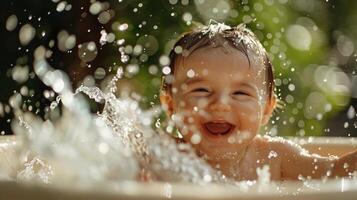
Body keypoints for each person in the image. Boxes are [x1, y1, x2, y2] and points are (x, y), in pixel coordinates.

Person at [159, 22, 357, 181]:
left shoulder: (274, 158)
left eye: (240, 93)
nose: (220, 104)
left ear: (266, 109)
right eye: (201, 90)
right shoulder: (163, 156)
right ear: (170, 105)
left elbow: (333, 172)